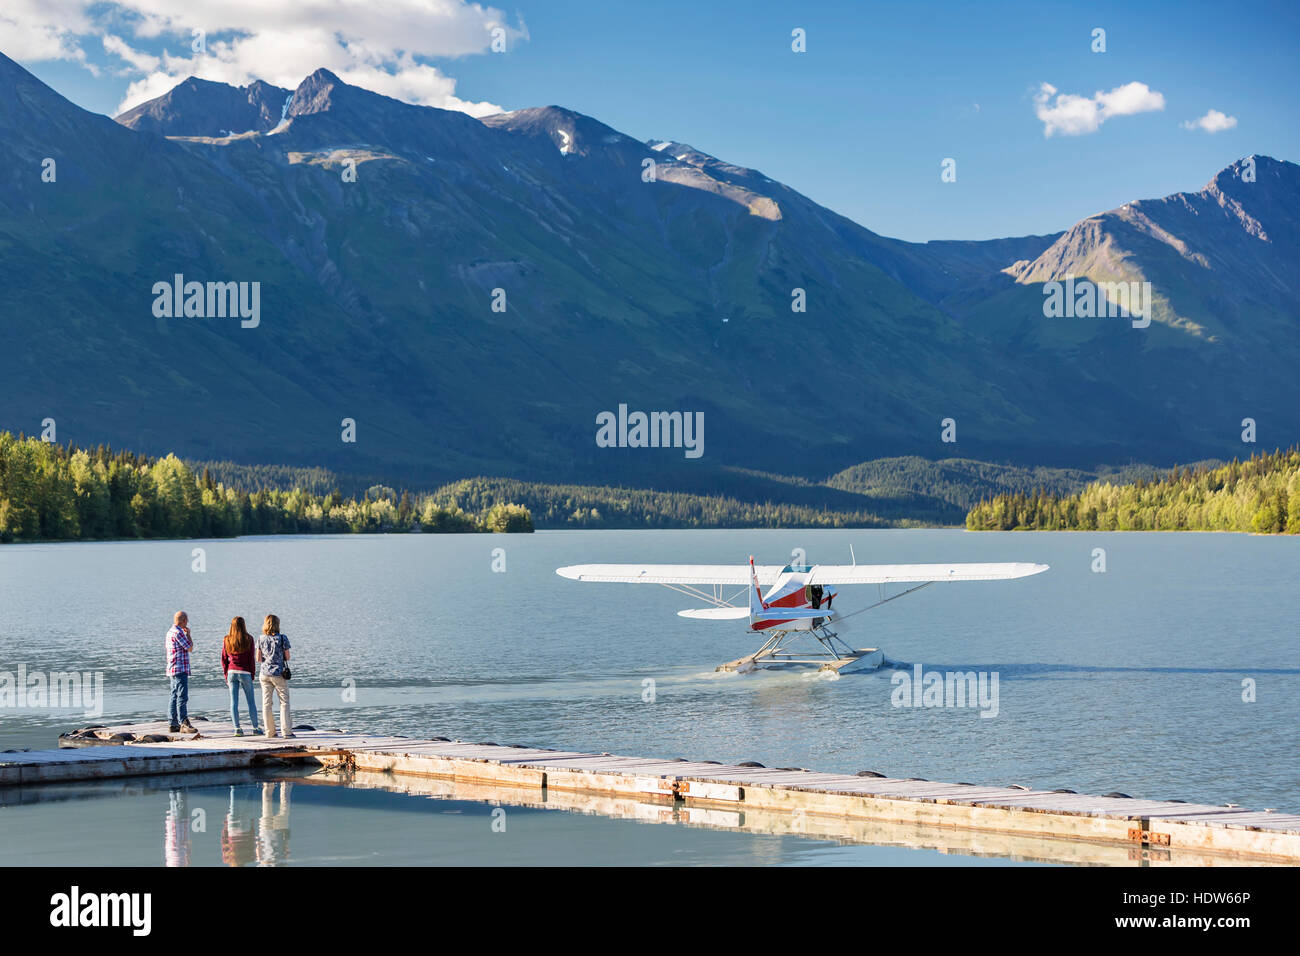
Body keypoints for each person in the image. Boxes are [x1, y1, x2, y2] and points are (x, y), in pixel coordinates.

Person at [221, 617, 261, 737]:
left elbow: (223, 659)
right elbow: (251, 660)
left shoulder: (227, 639)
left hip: (232, 672)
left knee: (234, 702)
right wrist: (252, 674)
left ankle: (237, 728)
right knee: (251, 702)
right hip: (245, 673)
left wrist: (226, 674)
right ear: (244, 625)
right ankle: (255, 728)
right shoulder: (249, 639)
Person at [256, 614, 293, 739]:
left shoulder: (260, 638)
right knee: (284, 702)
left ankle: (270, 732)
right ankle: (286, 732)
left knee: (266, 704)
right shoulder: (283, 638)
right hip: (278, 674)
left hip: (264, 674)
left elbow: (258, 658)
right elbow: (287, 657)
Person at [166, 611, 197, 734]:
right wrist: (188, 634)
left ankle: (172, 723)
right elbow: (189, 647)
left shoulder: (170, 632)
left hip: (172, 668)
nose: (187, 622)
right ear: (183, 620)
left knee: (173, 695)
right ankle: (183, 722)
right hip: (180, 669)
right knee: (182, 697)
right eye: (187, 620)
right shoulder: (179, 633)